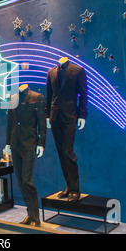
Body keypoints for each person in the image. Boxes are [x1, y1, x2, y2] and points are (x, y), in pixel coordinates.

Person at [45, 57, 88, 202]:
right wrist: (47, 116)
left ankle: (75, 189)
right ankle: (69, 186)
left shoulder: (77, 70)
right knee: (60, 152)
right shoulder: (51, 72)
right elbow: (49, 96)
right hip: (55, 116)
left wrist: (82, 115)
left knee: (67, 151)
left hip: (70, 115)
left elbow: (83, 93)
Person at [5, 84, 46, 227]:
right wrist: (8, 144)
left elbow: (41, 123)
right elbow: (10, 122)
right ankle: (30, 215)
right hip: (15, 144)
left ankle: (35, 217)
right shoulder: (13, 98)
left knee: (27, 181)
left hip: (29, 144)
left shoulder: (37, 97)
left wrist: (41, 143)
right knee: (21, 180)